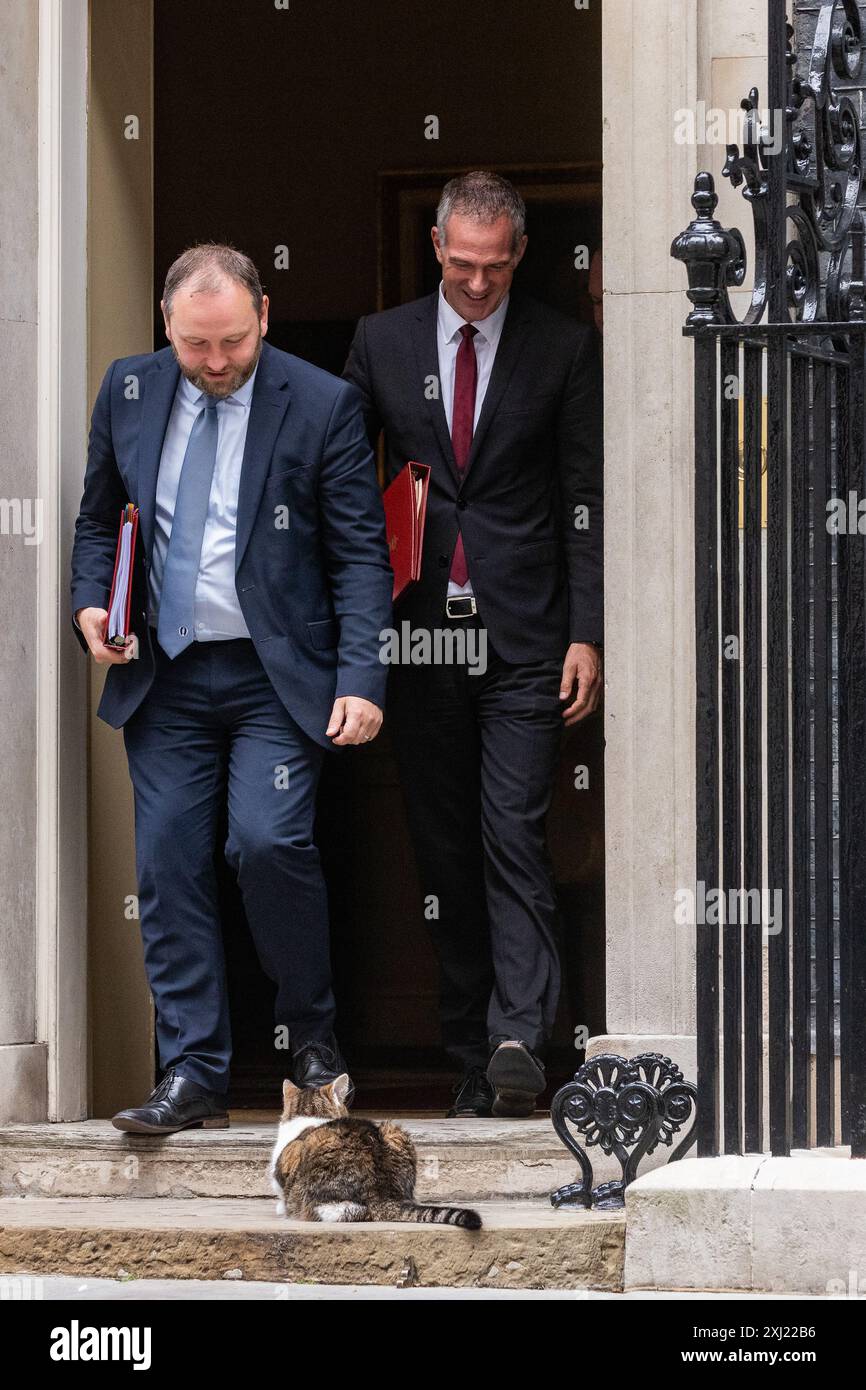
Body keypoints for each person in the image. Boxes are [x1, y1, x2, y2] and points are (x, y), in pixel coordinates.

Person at [71, 244, 393, 1133]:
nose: (216, 365)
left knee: (265, 840)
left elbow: (362, 554)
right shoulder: (128, 389)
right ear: (166, 327)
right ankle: (193, 1073)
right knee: (169, 866)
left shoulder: (321, 403)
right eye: (196, 347)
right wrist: (90, 606)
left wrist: (362, 676)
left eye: (234, 344)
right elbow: (100, 520)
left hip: (274, 677)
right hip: (164, 673)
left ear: (264, 314)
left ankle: (312, 1041)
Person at [343, 172, 604, 1119]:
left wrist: (589, 633)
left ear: (520, 255)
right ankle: (468, 1045)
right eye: (463, 265)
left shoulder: (564, 348)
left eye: (495, 268)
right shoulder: (382, 342)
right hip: (418, 638)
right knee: (444, 849)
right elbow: (341, 483)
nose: (480, 284)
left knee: (513, 834)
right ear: (438, 250)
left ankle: (517, 1036)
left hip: (525, 634)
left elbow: (587, 497)